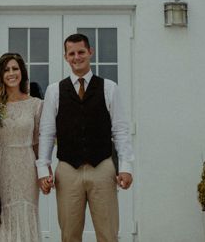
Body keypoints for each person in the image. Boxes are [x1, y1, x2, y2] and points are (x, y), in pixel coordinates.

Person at [36, 33, 134, 242]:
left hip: (102, 168)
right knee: (69, 235)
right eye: (71, 53)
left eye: (81, 52)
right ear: (65, 57)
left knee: (108, 233)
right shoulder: (54, 91)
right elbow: (47, 133)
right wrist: (43, 168)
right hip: (68, 170)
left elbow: (120, 130)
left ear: (90, 52)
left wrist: (125, 166)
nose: (77, 57)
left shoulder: (109, 88)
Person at [0, 53, 43, 242]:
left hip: (26, 168)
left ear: (22, 72)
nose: (11, 73)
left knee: (26, 211)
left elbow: (38, 143)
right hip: (0, 166)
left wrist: (42, 173)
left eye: (15, 68)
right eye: (6, 70)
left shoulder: (36, 105)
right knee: (0, 214)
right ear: (0, 75)